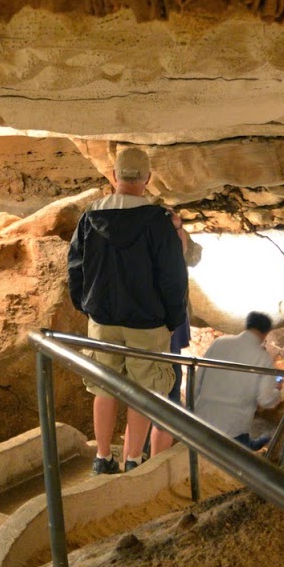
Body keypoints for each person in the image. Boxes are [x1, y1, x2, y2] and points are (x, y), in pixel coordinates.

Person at [67, 146, 188, 474]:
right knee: (144, 391)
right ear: (147, 179)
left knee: (104, 387)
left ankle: (102, 457)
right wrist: (174, 318)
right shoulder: (158, 221)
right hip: (147, 323)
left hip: (102, 319)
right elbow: (173, 276)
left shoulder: (90, 216)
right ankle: (132, 459)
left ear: (115, 176)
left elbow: (75, 266)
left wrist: (85, 305)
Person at [193, 311, 282, 450]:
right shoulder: (263, 358)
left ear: (247, 326)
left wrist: (193, 408)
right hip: (233, 430)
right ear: (266, 333)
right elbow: (266, 399)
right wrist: (277, 390)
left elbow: (198, 378)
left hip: (201, 420)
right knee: (243, 448)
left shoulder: (219, 343)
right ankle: (258, 443)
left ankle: (255, 443)